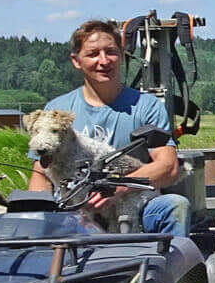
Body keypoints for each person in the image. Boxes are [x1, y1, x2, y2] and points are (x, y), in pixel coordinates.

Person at [28, 19, 191, 237]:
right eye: (93, 54)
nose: (104, 61)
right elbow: (40, 174)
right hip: (75, 211)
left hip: (133, 203)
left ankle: (172, 258)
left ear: (122, 55)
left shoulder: (147, 106)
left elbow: (168, 168)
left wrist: (118, 188)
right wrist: (41, 215)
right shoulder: (58, 110)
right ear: (76, 61)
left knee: (175, 205)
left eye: (111, 52)